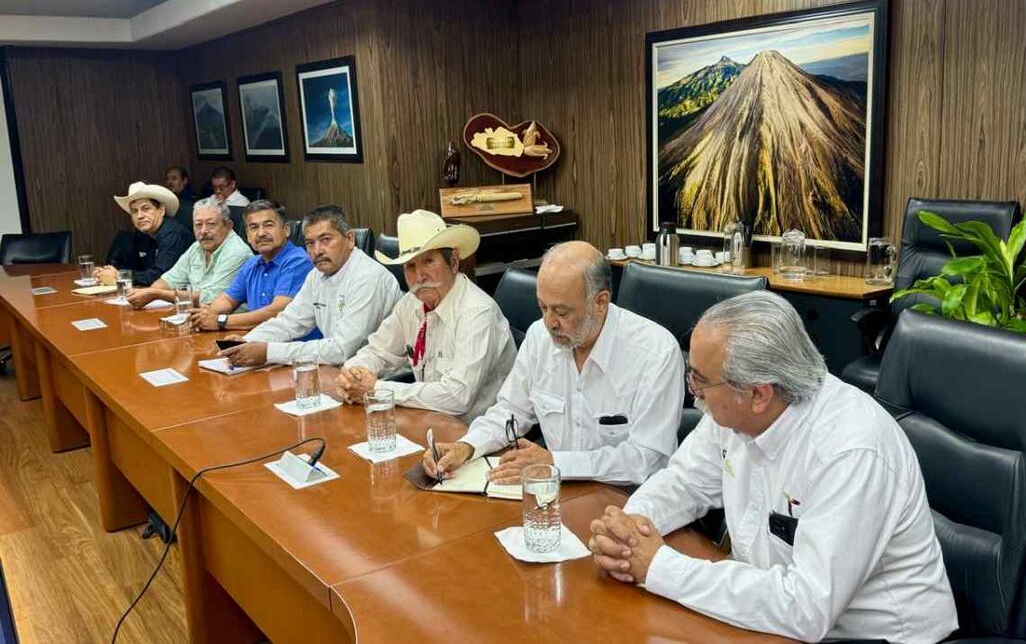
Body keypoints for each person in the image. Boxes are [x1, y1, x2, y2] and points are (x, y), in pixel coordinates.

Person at [587, 291, 957, 643]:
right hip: (771, 616)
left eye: (700, 380)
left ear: (758, 394)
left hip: (875, 635)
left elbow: (807, 607)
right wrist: (628, 531)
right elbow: (684, 482)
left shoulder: (849, 450)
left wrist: (660, 567)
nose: (692, 391)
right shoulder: (732, 409)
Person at [422, 241, 683, 484]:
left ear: (600, 302)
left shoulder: (655, 351)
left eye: (561, 311)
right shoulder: (539, 336)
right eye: (542, 307)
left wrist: (557, 463)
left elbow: (648, 459)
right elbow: (511, 410)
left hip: (624, 500)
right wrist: (467, 446)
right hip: (551, 491)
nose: (549, 323)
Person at [335, 209, 516, 421]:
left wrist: (377, 388)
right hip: (429, 420)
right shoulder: (411, 303)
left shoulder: (477, 312)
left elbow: (458, 397)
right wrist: (353, 375)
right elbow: (378, 350)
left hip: (479, 433)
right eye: (410, 266)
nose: (419, 276)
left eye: (428, 261)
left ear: (454, 262)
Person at [218, 205, 400, 367]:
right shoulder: (316, 275)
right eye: (310, 243)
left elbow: (342, 349)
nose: (317, 250)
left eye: (326, 240)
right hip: (339, 371)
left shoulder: (368, 277)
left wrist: (268, 352)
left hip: (385, 380)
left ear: (350, 239)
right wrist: (247, 341)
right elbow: (290, 321)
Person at [189, 200, 313, 333]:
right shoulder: (252, 264)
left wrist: (221, 321)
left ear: (286, 229)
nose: (261, 233)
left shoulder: (298, 261)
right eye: (254, 227)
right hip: (259, 340)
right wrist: (206, 315)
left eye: (268, 225)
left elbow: (277, 312)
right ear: (248, 236)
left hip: (293, 347)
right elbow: (228, 299)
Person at [125, 198, 251, 309]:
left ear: (228, 226)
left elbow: (211, 298)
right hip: (197, 317)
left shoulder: (236, 251)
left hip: (229, 325)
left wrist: (155, 294)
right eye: (198, 225)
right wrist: (148, 293)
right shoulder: (196, 247)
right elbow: (168, 280)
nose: (203, 231)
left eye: (211, 224)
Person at [95, 182, 193, 287]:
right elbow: (132, 266)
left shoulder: (173, 234)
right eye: (134, 211)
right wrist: (106, 273)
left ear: (161, 210)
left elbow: (160, 276)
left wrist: (119, 276)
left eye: (145, 209)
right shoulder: (142, 233)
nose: (140, 216)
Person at [164, 165, 198, 231]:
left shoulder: (191, 201)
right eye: (167, 179)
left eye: (174, 179)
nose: (170, 182)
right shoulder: (167, 198)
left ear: (184, 181)